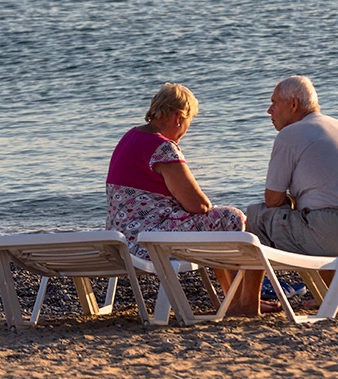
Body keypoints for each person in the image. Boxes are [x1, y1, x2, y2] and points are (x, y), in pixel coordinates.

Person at [232, 75, 338, 315]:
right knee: (311, 215)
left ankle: (247, 303)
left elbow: (272, 199)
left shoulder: (291, 134)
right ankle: (327, 293)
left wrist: (288, 202)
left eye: (274, 103)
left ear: (293, 105)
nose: (269, 110)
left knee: (257, 216)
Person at [105, 83, 246, 261]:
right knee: (230, 217)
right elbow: (198, 205)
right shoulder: (162, 147)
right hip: (147, 243)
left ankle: (230, 288)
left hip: (120, 241)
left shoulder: (130, 136)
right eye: (189, 122)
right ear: (179, 117)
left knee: (212, 223)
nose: (186, 130)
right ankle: (240, 288)